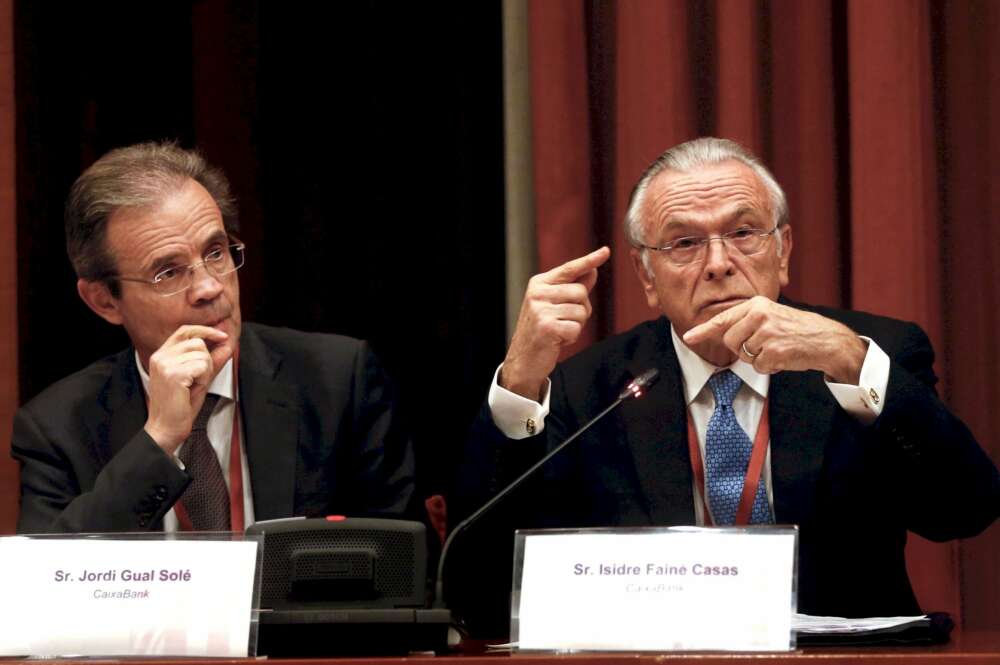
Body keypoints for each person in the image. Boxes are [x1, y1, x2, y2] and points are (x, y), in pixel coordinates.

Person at [453, 137, 999, 634]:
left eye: (742, 233)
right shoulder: (589, 389)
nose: (718, 264)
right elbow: (481, 595)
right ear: (646, 276)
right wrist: (519, 381)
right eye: (684, 242)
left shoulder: (869, 354)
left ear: (783, 251)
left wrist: (851, 361)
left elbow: (964, 510)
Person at [12, 142, 416, 533]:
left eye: (216, 252)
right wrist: (158, 440)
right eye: (168, 272)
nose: (209, 287)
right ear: (104, 301)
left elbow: (398, 560)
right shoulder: (57, 428)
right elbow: (50, 573)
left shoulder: (337, 384)